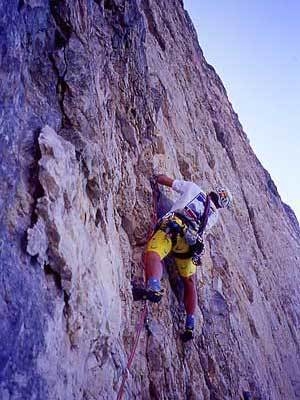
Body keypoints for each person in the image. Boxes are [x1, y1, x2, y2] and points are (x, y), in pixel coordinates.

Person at [143, 174, 232, 342]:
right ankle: (190, 323)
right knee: (189, 281)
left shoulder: (194, 188)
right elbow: (202, 231)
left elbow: (167, 181)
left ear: (214, 191)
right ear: (221, 206)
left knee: (154, 254)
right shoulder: (214, 215)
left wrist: (156, 177)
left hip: (174, 227)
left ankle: (154, 285)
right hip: (190, 245)